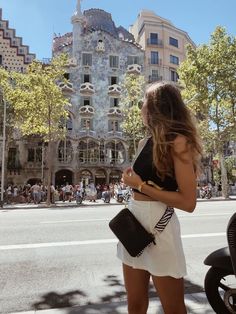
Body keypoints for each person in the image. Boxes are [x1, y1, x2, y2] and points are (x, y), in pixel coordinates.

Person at [119, 82, 202, 314]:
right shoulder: (144, 141)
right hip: (133, 223)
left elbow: (188, 202)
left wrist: (141, 185)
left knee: (173, 308)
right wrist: (131, 181)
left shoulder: (179, 142)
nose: (140, 108)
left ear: (157, 106)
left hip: (160, 227)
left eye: (143, 102)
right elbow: (140, 183)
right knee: (134, 305)